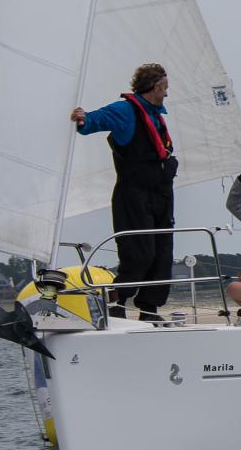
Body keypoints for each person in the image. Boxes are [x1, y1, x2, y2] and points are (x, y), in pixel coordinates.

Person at [70, 63, 177, 321]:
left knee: (162, 255)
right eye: (165, 87)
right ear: (156, 86)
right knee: (139, 253)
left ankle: (149, 310)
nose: (167, 92)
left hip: (161, 196)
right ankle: (116, 304)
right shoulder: (125, 110)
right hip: (134, 196)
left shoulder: (156, 116)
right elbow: (96, 119)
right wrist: (83, 118)